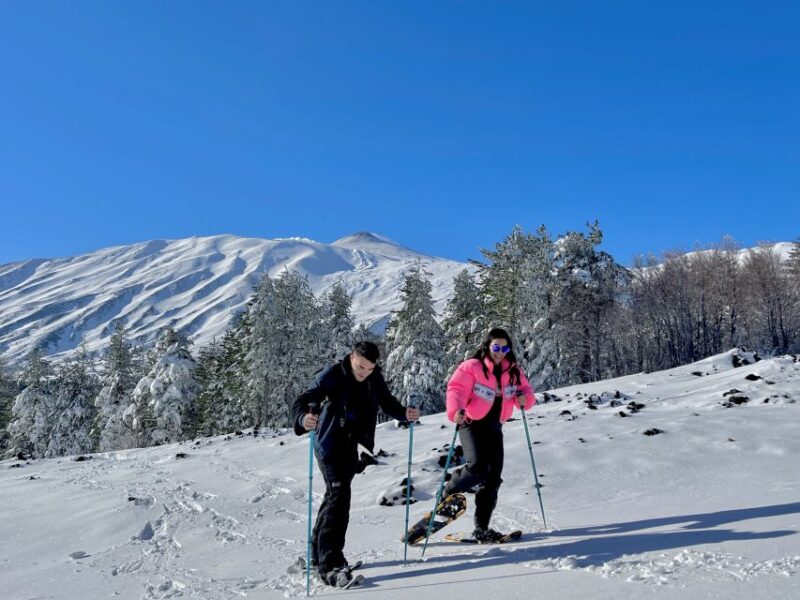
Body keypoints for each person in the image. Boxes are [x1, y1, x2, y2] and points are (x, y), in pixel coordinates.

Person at [292, 340, 420, 586]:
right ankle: (330, 563)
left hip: (351, 444)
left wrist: (404, 413)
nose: (364, 373)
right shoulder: (331, 376)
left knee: (334, 497)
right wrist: (302, 418)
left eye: (370, 369)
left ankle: (317, 552)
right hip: (328, 443)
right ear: (352, 357)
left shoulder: (373, 377)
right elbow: (303, 400)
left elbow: (386, 400)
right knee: (339, 497)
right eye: (361, 367)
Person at [442, 327, 536, 542]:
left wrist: (524, 400)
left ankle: (481, 528)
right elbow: (456, 389)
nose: (500, 351)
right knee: (478, 467)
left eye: (505, 347)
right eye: (496, 347)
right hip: (470, 423)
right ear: (487, 346)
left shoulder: (512, 371)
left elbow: (527, 392)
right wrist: (455, 410)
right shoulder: (472, 367)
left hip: (495, 426)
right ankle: (449, 491)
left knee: (493, 478)